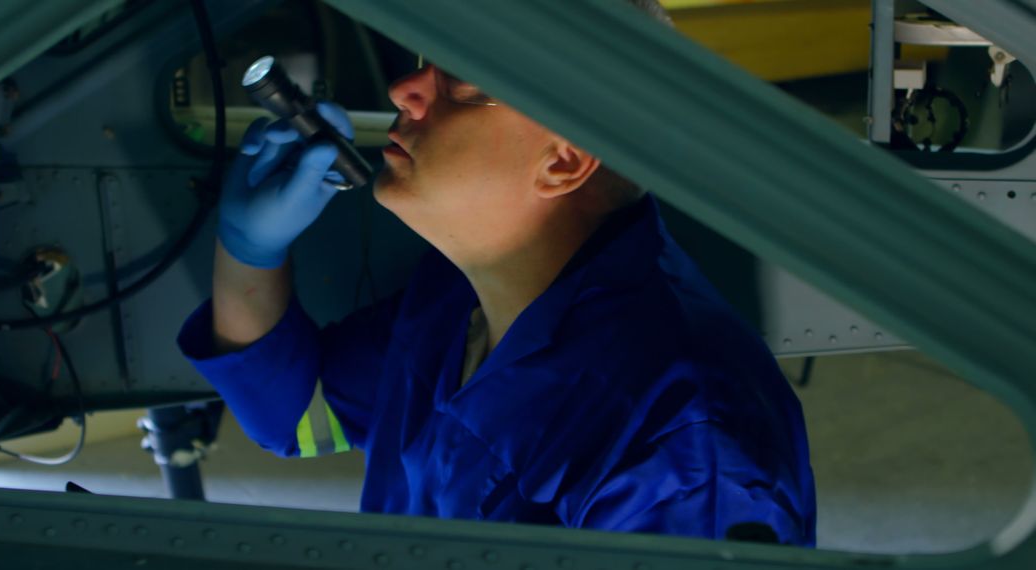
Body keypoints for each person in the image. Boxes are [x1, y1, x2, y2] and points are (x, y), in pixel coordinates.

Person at [177, 0, 816, 546]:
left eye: (466, 86)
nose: (406, 90)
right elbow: (297, 415)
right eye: (427, 62)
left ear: (564, 162)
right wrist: (248, 252)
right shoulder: (461, 299)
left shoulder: (687, 446)